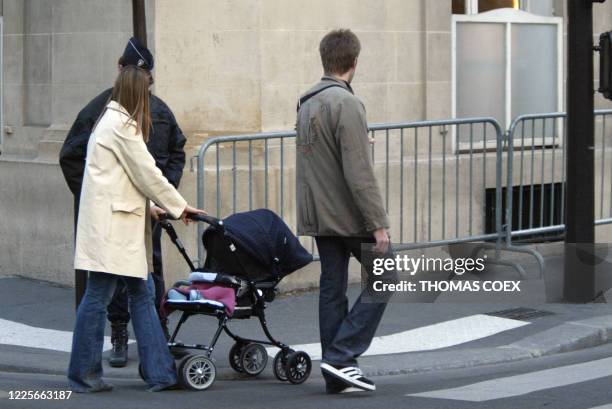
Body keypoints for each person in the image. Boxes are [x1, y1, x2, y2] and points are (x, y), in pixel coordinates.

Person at [67, 66, 205, 393]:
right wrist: (179, 206)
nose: (149, 97)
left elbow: (123, 180)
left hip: (117, 228)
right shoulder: (121, 125)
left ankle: (159, 373)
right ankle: (88, 374)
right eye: (146, 90)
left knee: (134, 296)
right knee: (104, 297)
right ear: (137, 92)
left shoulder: (111, 120)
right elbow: (147, 173)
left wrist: (153, 207)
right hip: (115, 232)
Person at [59, 37, 186, 368]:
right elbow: (143, 171)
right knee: (110, 293)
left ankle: (157, 364)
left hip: (140, 214)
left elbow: (174, 152)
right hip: (121, 218)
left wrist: (158, 200)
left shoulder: (148, 111)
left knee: (141, 288)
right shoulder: (114, 118)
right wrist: (174, 204)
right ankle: (128, 358)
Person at [296, 29, 391, 394]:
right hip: (348, 214)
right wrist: (378, 224)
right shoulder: (347, 103)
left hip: (319, 212)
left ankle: (335, 372)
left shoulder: (307, 101)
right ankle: (341, 355)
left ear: (325, 60)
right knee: (386, 278)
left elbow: (323, 155)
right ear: (354, 62)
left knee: (332, 287)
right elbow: (358, 171)